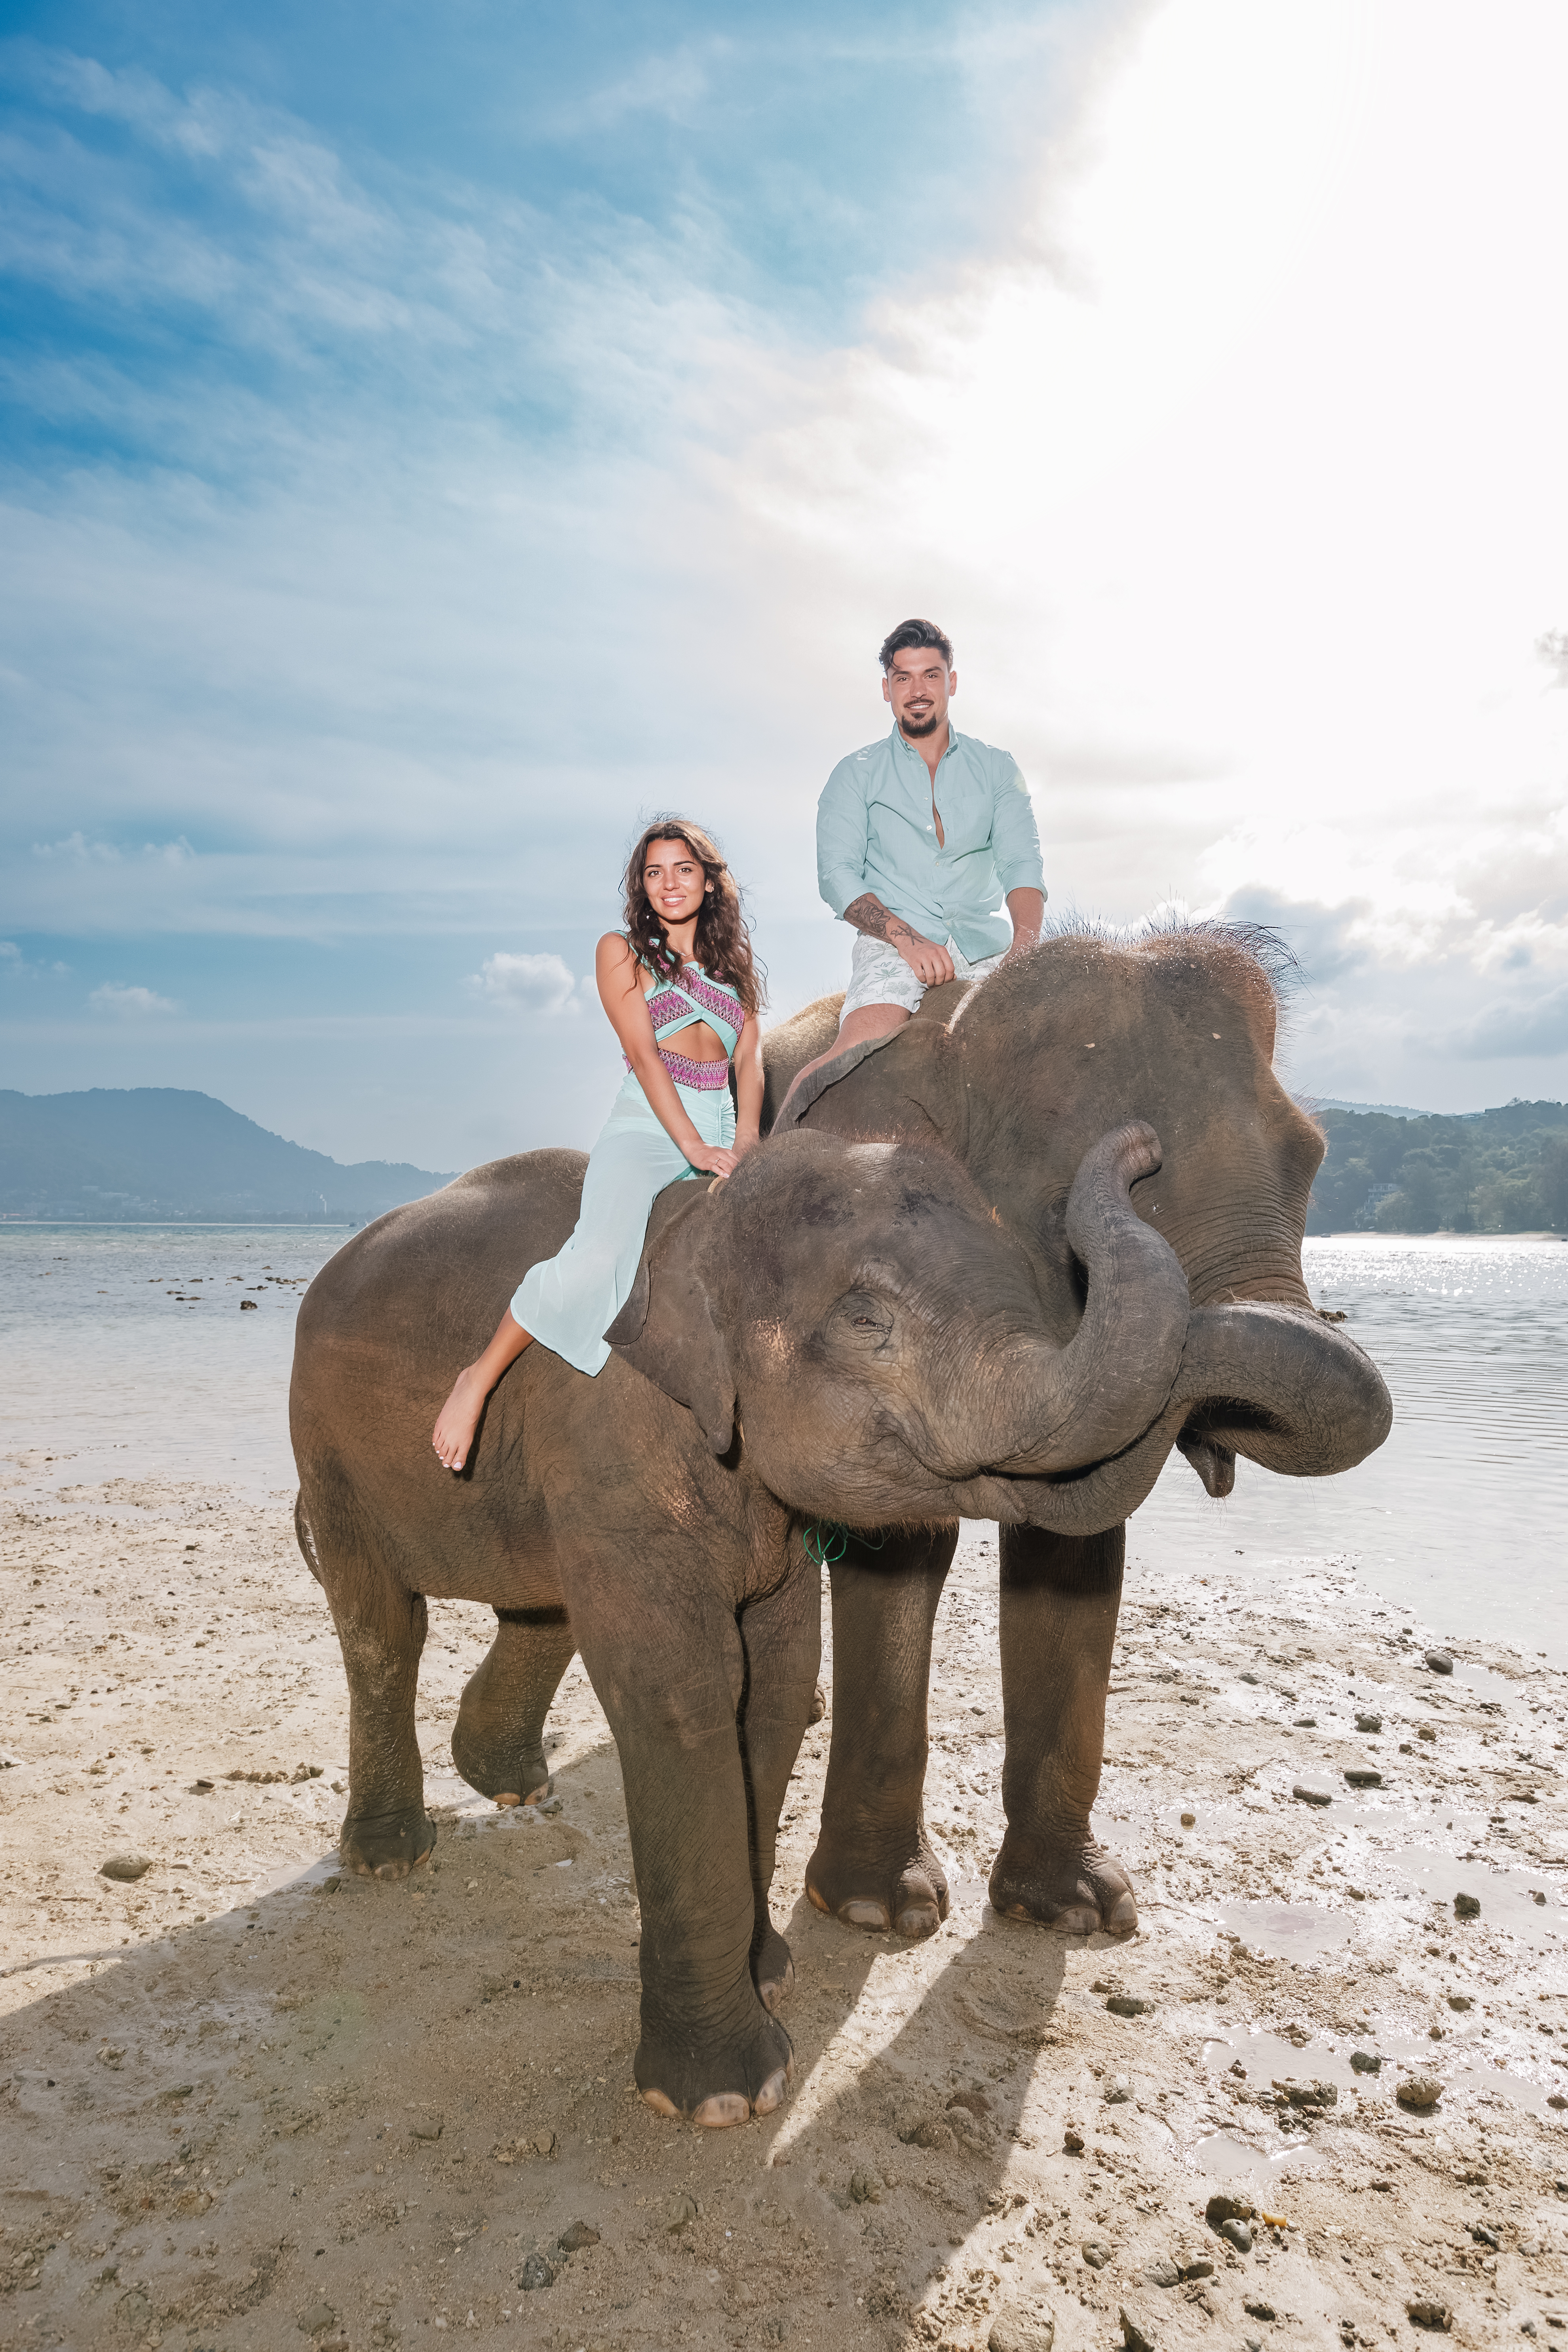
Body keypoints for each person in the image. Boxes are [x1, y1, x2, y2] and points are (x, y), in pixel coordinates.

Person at [431, 820, 764, 1472]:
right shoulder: (620, 952)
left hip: (723, 1125)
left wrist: (747, 1140)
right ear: (641, 885)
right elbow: (643, 1057)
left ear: (708, 879)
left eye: (684, 869)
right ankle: (478, 1377)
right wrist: (693, 1147)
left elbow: (748, 1062)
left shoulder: (733, 968)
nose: (670, 883)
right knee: (598, 1256)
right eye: (654, 872)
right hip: (649, 1125)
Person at [786, 619, 1045, 1105]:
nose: (917, 689)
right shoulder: (854, 774)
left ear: (951, 681)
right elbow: (836, 877)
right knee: (855, 1049)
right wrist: (907, 940)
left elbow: (1021, 864)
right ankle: (765, 1165)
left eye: (930, 674)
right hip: (893, 945)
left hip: (985, 946)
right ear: (887, 689)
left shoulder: (997, 768)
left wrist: (1024, 953)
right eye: (903, 677)